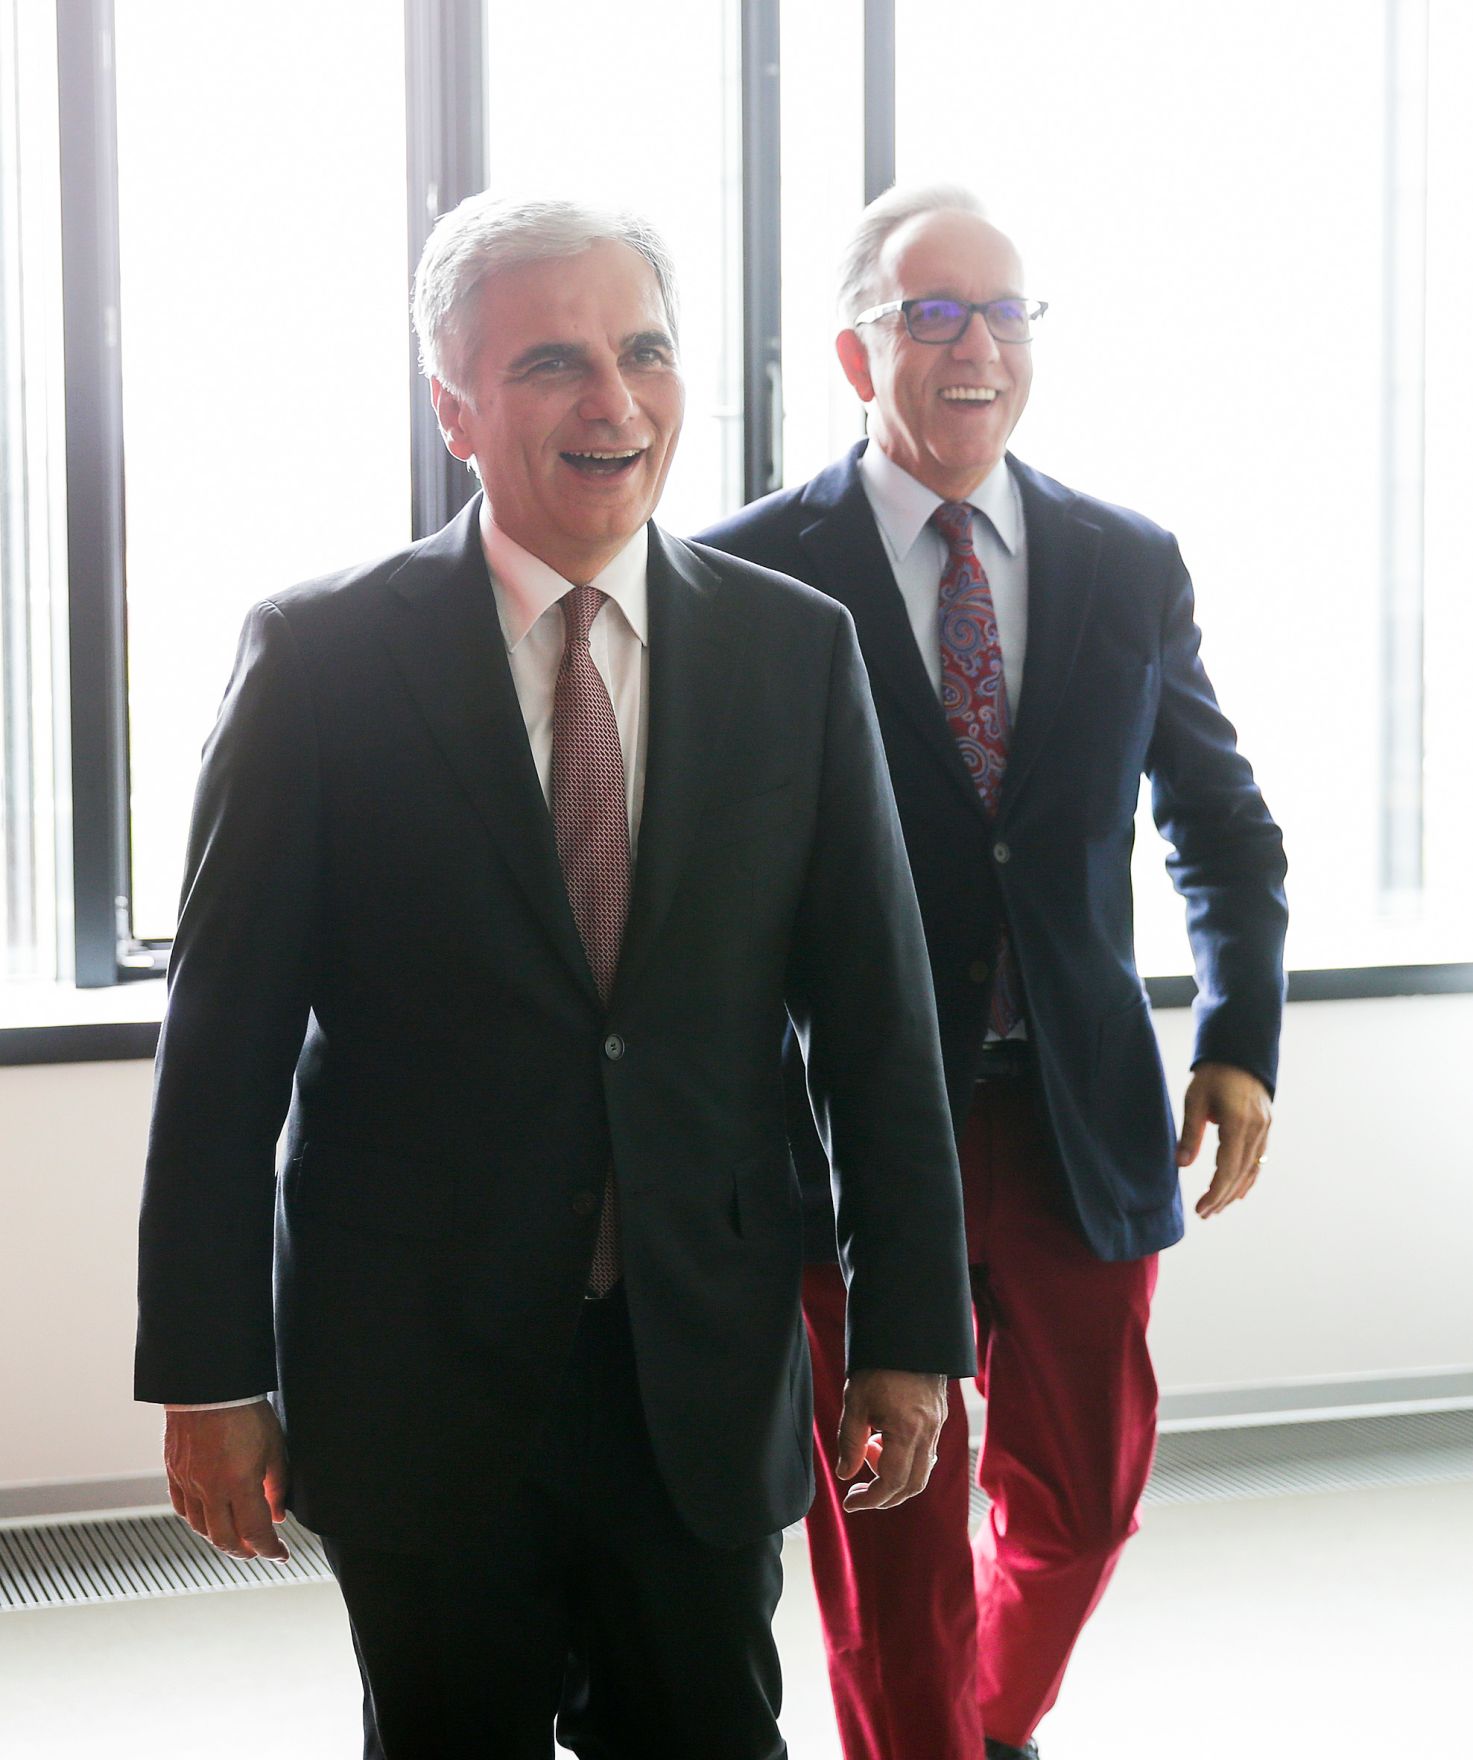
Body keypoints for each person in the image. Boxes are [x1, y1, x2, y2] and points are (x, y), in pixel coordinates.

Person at [134, 193, 977, 1760]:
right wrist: (206, 1375)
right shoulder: (320, 665)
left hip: (701, 1372)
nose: (614, 400)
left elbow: (878, 1021)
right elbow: (224, 1048)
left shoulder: (792, 657)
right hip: (418, 1378)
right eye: (550, 363)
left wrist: (909, 1326)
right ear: (451, 406)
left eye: (643, 352)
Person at [697, 183, 1288, 1760]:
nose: (977, 347)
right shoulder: (742, 574)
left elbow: (1221, 826)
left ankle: (986, 1728)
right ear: (852, 350)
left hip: (1072, 1114)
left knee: (1083, 1507)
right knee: (890, 1538)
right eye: (931, 312)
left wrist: (1239, 1034)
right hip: (848, 1131)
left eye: (1007, 311)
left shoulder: (1122, 558)